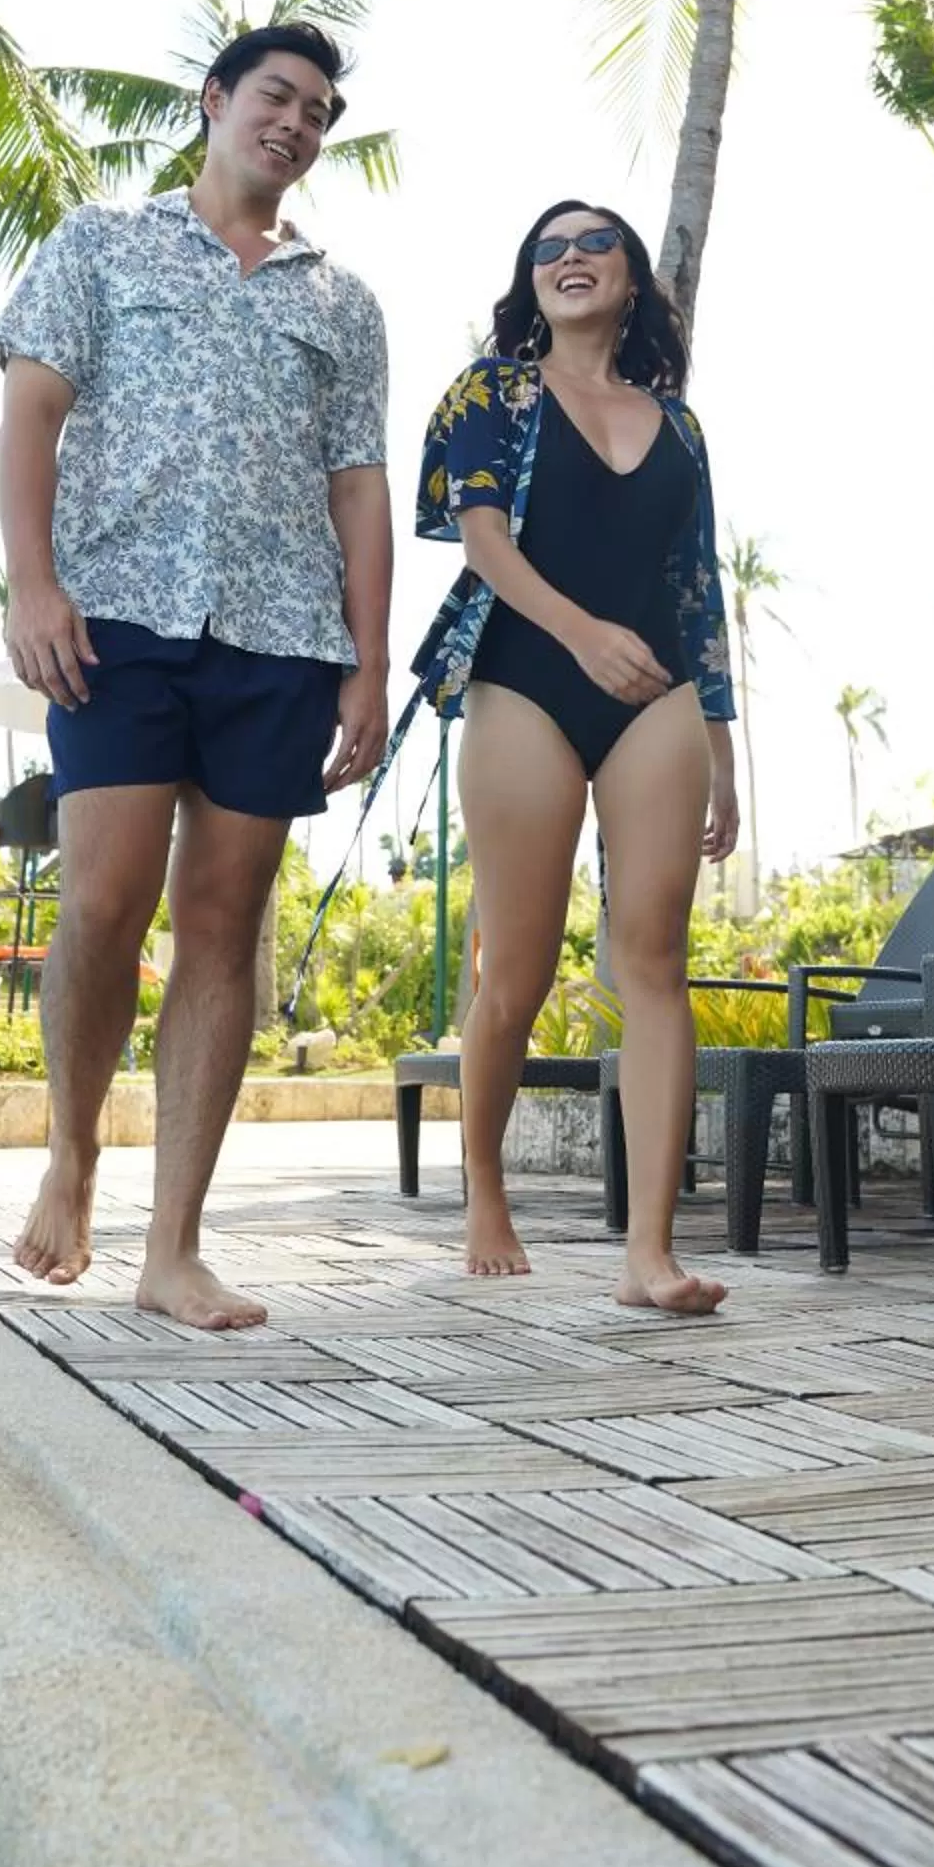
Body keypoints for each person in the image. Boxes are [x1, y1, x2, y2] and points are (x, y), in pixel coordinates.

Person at [0, 20, 391, 1330]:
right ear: (216, 102)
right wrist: (33, 583)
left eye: (319, 112)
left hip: (282, 638)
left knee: (224, 925)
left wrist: (368, 664)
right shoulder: (99, 245)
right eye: (278, 95)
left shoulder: (343, 301)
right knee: (102, 902)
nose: (297, 122)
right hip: (117, 615)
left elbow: (359, 489)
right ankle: (74, 1153)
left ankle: (175, 1248)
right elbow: (31, 416)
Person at [415, 200, 739, 1316]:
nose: (568, 260)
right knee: (518, 969)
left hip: (656, 695)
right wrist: (582, 636)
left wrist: (720, 747)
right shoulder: (492, 392)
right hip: (527, 680)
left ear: (632, 277)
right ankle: (485, 1186)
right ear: (527, 281)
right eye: (546, 249)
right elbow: (484, 543)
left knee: (651, 958)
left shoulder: (680, 426)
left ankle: (648, 1251)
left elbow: (697, 593)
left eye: (592, 243)